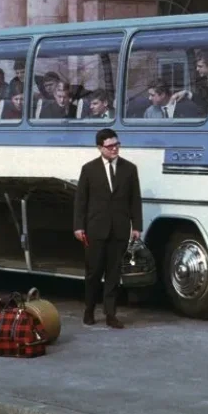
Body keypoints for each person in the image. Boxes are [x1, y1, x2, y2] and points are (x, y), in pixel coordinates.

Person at [73, 129, 143, 329]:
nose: (114, 149)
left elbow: (135, 199)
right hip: (95, 229)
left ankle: (111, 314)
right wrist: (78, 226)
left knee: (114, 274)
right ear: (100, 148)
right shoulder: (89, 169)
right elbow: (81, 200)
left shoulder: (129, 169)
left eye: (117, 144)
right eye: (110, 146)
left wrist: (137, 226)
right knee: (93, 273)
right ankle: (89, 310)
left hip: (119, 229)